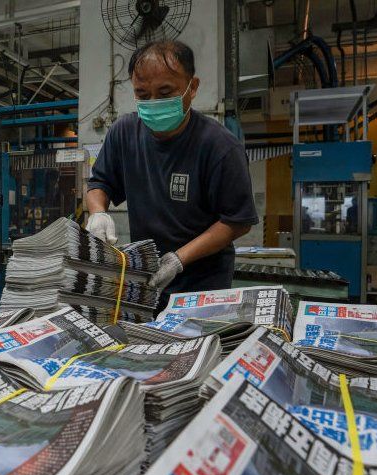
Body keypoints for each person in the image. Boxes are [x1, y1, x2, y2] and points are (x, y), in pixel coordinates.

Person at [84, 40, 258, 307]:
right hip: (146, 278)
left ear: (193, 87)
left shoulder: (220, 146)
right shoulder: (124, 133)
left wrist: (179, 259)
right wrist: (97, 212)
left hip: (203, 285)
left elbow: (237, 221)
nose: (153, 103)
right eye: (142, 95)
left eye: (165, 92)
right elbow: (101, 182)